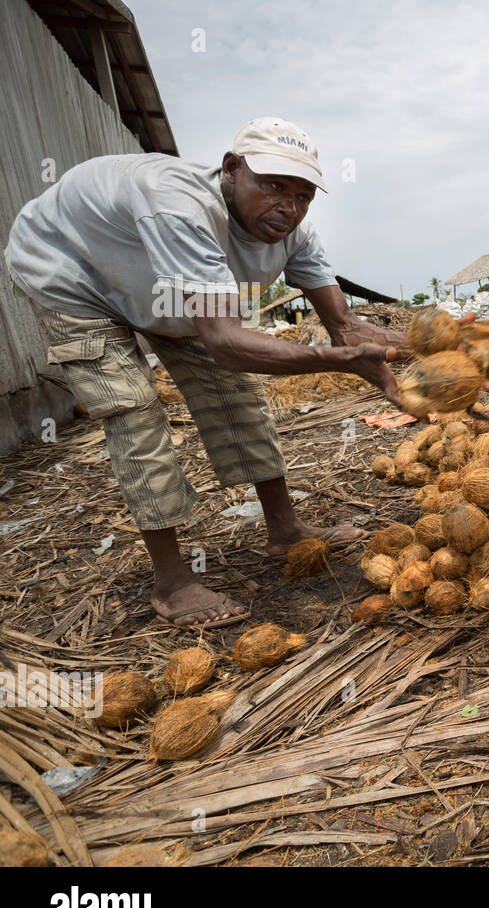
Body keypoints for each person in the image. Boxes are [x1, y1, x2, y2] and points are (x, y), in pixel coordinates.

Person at [4, 117, 426, 626]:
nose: (286, 207)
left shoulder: (296, 236)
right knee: (134, 411)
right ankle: (173, 581)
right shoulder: (179, 205)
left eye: (302, 195)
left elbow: (346, 327)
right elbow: (226, 342)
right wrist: (333, 361)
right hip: (73, 276)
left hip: (158, 287)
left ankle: (285, 530)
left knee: (235, 398)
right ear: (231, 170)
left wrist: (433, 346)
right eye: (271, 186)